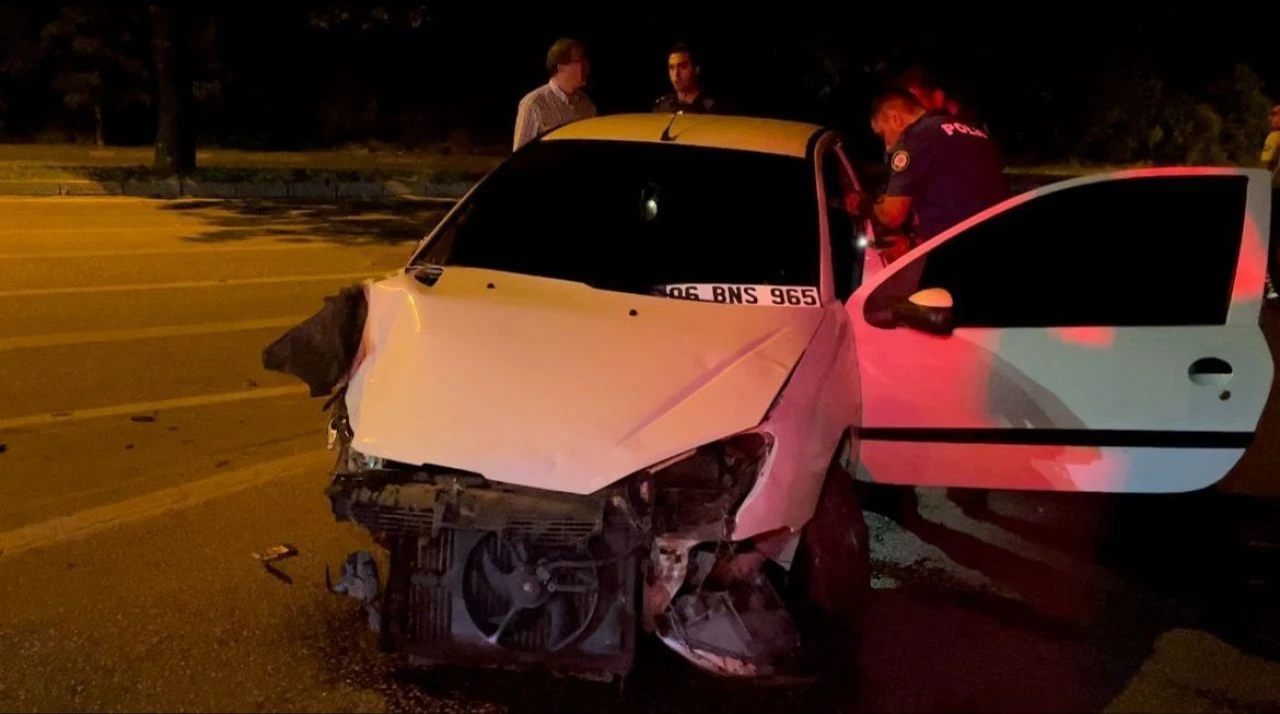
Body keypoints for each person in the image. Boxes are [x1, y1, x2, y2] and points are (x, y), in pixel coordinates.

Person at [854, 88, 1008, 257]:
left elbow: (892, 216)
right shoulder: (973, 131)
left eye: (882, 134)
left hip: (959, 255)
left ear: (896, 119)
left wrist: (865, 205)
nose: (887, 146)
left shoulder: (915, 139)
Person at [513, 38, 597, 151]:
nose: (587, 66)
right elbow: (520, 157)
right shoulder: (534, 104)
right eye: (580, 61)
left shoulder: (587, 106)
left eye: (585, 61)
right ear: (560, 67)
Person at [652, 43, 724, 114]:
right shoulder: (662, 106)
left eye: (683, 67)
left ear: (696, 69)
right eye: (672, 68)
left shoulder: (711, 109)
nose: (676, 74)